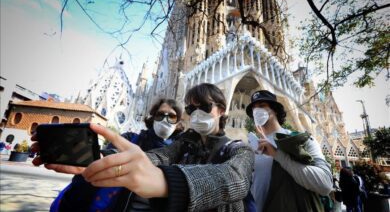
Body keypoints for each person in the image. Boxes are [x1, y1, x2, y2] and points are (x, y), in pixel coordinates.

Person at [32, 83, 255, 211]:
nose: (196, 114)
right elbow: (155, 157)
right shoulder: (182, 146)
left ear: (222, 110)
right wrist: (101, 157)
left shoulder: (239, 149)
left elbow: (235, 179)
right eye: (190, 108)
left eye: (204, 107)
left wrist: (168, 182)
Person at [46, 98, 184, 211]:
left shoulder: (180, 155)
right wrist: (91, 157)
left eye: (172, 116)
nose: (165, 120)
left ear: (178, 123)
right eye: (160, 115)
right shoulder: (130, 139)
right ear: (153, 117)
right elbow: (109, 154)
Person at [245, 90, 333, 212]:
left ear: (274, 110)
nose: (256, 111)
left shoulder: (302, 140)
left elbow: (325, 185)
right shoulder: (251, 148)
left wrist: (277, 155)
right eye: (253, 109)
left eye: (262, 106)